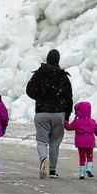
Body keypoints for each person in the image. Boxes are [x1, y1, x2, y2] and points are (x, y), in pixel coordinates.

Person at [26, 49, 73, 179]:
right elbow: (69, 98)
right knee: (55, 143)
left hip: (42, 112)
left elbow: (29, 90)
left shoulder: (39, 74)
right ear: (58, 60)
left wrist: (40, 98)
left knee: (41, 141)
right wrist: (67, 116)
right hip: (59, 113)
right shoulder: (63, 76)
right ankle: (52, 170)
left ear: (47, 59)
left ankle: (43, 159)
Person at [63, 101, 97, 179]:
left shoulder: (77, 121)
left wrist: (65, 123)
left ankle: (82, 173)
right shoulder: (92, 121)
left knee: (82, 157)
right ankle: (89, 169)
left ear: (78, 112)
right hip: (90, 141)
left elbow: (69, 128)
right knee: (90, 155)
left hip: (80, 142)